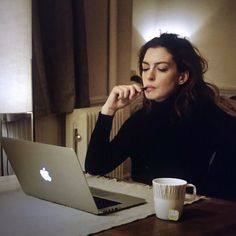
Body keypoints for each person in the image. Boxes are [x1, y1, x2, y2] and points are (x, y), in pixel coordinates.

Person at [85, 33, 236, 200]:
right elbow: (96, 166)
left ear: (182, 77)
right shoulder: (141, 119)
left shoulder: (210, 116)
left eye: (161, 68)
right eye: (145, 68)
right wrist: (108, 111)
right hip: (146, 208)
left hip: (193, 212)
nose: (149, 76)